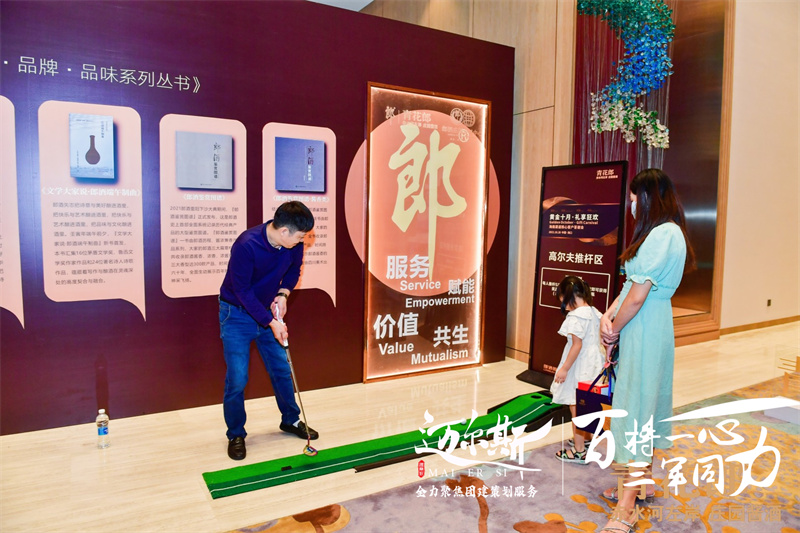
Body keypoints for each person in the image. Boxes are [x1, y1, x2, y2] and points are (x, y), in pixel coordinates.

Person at [597, 169, 695, 533]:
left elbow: (638, 297)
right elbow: (630, 287)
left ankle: (627, 507)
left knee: (637, 409)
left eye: (634, 197)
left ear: (649, 197)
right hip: (644, 324)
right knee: (643, 401)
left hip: (646, 326)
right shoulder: (660, 233)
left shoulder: (664, 234)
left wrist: (614, 329)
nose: (631, 204)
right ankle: (641, 483)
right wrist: (609, 317)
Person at [218, 201, 318, 461]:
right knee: (237, 378)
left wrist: (283, 294)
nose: (301, 242)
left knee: (281, 369)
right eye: (299, 237)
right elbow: (242, 290)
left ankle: (290, 420)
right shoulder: (246, 245)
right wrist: (271, 322)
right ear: (284, 231)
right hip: (236, 314)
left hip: (266, 310)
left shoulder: (292, 245)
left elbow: (294, 270)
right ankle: (236, 434)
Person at [550, 275, 605, 464]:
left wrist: (564, 369)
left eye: (561, 299)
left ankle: (579, 451)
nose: (562, 304)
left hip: (579, 365)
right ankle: (585, 439)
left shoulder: (575, 317)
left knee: (576, 406)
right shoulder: (595, 312)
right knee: (587, 403)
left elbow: (576, 345)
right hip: (594, 363)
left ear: (568, 296)